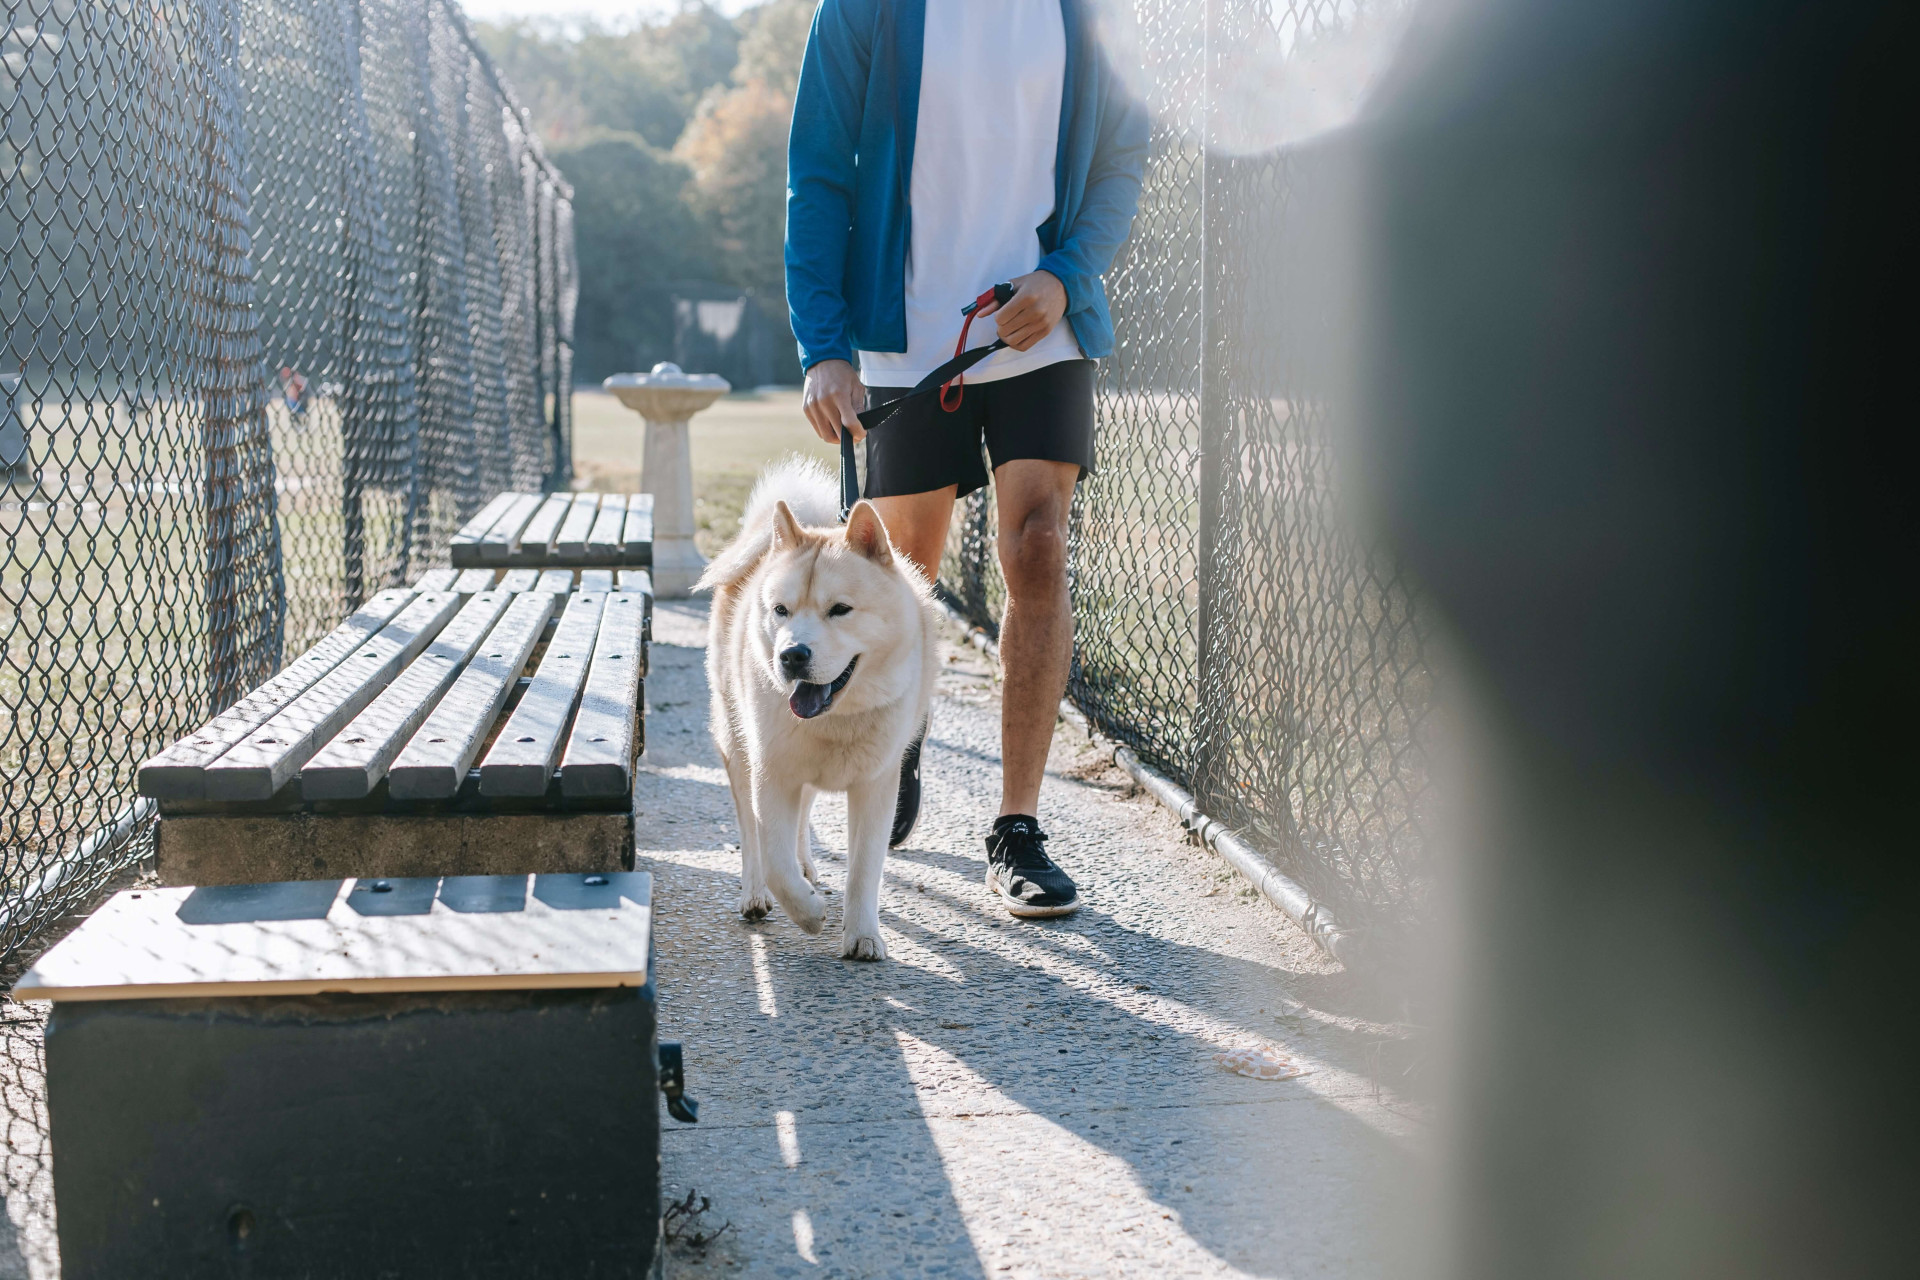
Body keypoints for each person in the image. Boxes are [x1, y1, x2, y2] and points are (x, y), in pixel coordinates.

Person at [786, 0, 1149, 918]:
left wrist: (1067, 273)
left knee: (1038, 549)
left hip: (1042, 328)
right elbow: (819, 174)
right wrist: (825, 346)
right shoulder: (861, 12)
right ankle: (898, 740)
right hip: (907, 339)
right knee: (905, 574)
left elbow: (1119, 161)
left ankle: (1017, 828)